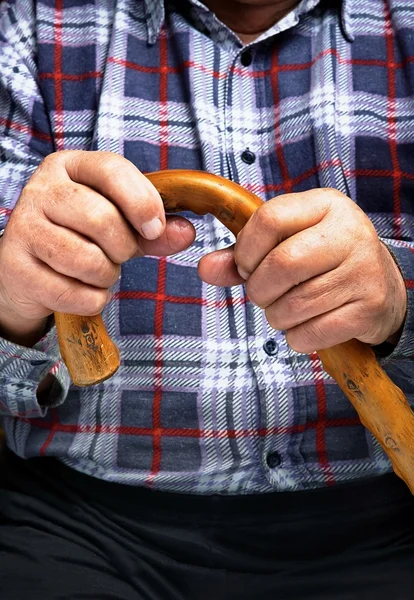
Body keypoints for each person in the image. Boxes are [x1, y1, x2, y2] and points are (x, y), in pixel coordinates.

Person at [0, 0, 414, 597]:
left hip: (385, 519)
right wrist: (13, 298)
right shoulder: (33, 24)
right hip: (84, 528)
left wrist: (398, 299)